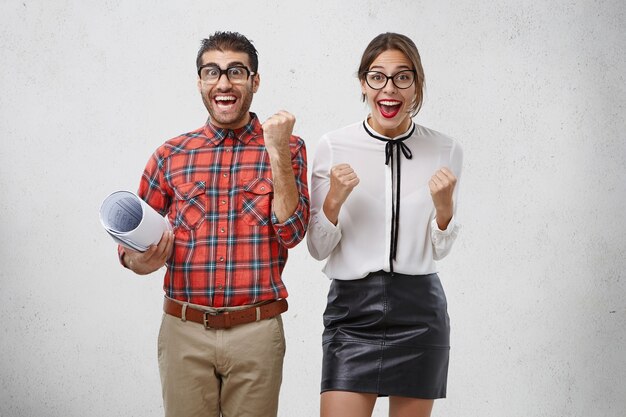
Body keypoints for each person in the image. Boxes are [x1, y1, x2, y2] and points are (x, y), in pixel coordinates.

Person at [118, 31, 309, 417]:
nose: (224, 82)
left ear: (255, 81)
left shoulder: (289, 148)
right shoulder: (169, 155)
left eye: (236, 71)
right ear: (200, 81)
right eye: (212, 72)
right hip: (184, 331)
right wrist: (142, 261)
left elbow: (292, 233)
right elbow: (128, 250)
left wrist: (276, 150)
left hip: (256, 332)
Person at [307, 32, 463, 417]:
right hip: (351, 312)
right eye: (377, 77)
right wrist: (334, 200)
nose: (389, 89)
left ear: (417, 84)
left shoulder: (446, 149)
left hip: (420, 311)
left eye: (402, 77)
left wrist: (444, 210)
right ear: (363, 83)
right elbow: (317, 248)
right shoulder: (333, 145)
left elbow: (440, 248)